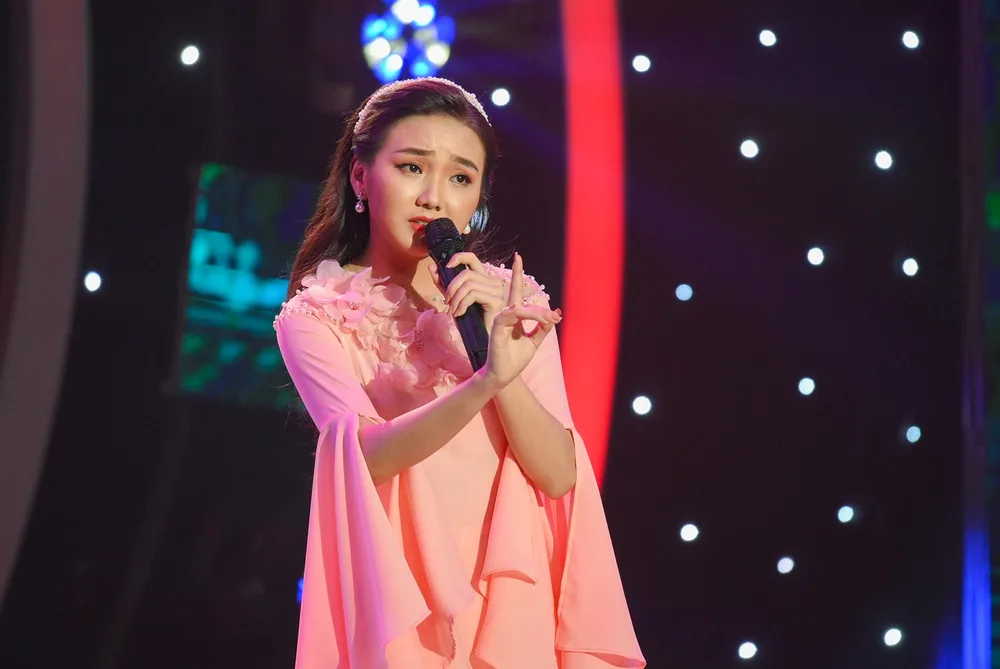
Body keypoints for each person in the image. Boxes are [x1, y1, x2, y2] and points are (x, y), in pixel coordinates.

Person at [274, 77, 644, 669]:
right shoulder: (316, 318)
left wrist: (499, 364)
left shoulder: (512, 302)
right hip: (406, 610)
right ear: (360, 177)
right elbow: (364, 458)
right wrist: (484, 383)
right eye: (412, 168)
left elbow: (557, 476)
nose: (434, 198)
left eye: (460, 178)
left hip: (512, 603)